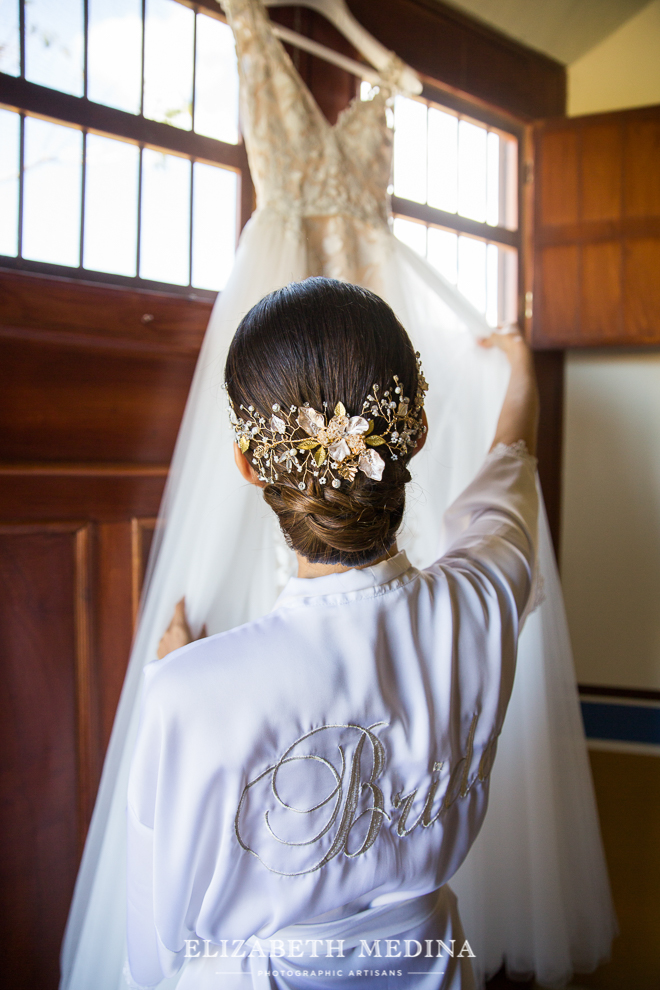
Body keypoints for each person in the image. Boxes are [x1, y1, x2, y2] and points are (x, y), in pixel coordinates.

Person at [125, 276, 539, 990]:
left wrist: (190, 675)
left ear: (249, 466)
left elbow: (154, 941)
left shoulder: (185, 694)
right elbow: (508, 477)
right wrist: (522, 370)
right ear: (418, 433)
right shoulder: (491, 593)